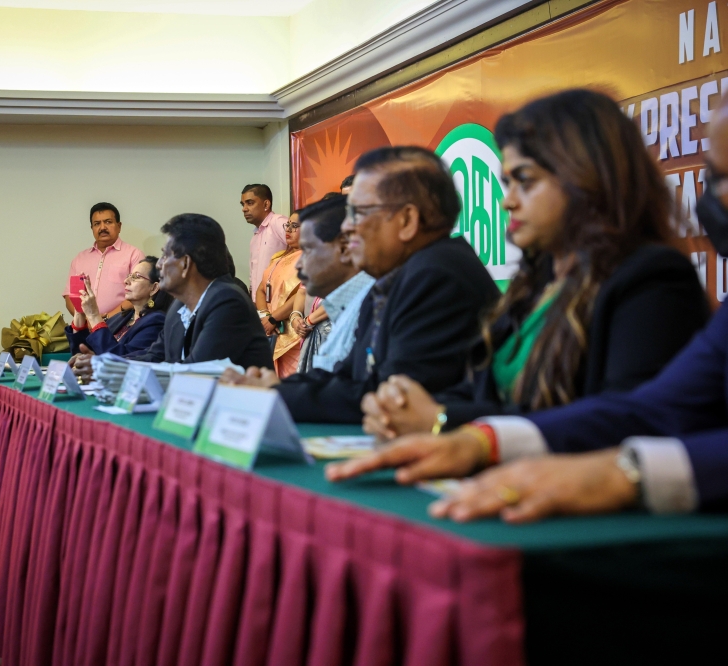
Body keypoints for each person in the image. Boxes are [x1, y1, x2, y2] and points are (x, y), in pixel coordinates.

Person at [326, 89, 728, 523]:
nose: (507, 201)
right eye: (506, 182)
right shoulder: (535, 283)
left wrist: (446, 421)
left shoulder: (653, 278)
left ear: (587, 180)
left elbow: (632, 419)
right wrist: (424, 415)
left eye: (525, 181)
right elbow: (648, 407)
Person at [224, 146, 501, 423]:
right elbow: (346, 375)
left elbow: (385, 396)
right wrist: (273, 388)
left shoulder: (437, 276)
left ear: (407, 220)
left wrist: (276, 395)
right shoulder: (391, 277)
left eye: (359, 213)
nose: (347, 228)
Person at [128, 214, 273, 369]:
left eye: (165, 255)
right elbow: (155, 357)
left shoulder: (228, 302)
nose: (158, 264)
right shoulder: (178, 306)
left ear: (185, 263)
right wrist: (107, 367)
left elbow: (197, 373)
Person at [291, 195, 374, 374]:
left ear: (344, 248)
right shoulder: (344, 308)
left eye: (307, 250)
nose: (298, 264)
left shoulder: (370, 306)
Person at [65, 256, 171, 357]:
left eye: (136, 277)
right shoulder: (122, 317)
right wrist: (79, 311)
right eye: (129, 276)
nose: (126, 281)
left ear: (154, 288)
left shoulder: (156, 321)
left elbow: (120, 360)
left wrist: (93, 314)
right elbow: (84, 352)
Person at [66, 202, 145, 319]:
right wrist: (87, 321)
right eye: (97, 224)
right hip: (86, 329)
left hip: (122, 326)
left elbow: (140, 293)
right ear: (92, 228)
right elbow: (70, 297)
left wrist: (107, 318)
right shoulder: (80, 259)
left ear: (119, 226)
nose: (102, 227)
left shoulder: (133, 255)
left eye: (108, 222)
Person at [256, 212, 303, 377]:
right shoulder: (278, 257)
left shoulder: (309, 259)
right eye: (287, 224)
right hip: (271, 329)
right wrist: (265, 316)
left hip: (292, 335)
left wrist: (273, 319)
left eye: (295, 226)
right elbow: (261, 289)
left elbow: (302, 294)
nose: (289, 229)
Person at [241, 184, 288, 302]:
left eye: (250, 203)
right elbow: (254, 278)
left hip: (280, 304)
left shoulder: (278, 222)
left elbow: (302, 249)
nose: (244, 209)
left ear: (266, 204)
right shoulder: (255, 237)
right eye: (243, 204)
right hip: (260, 306)